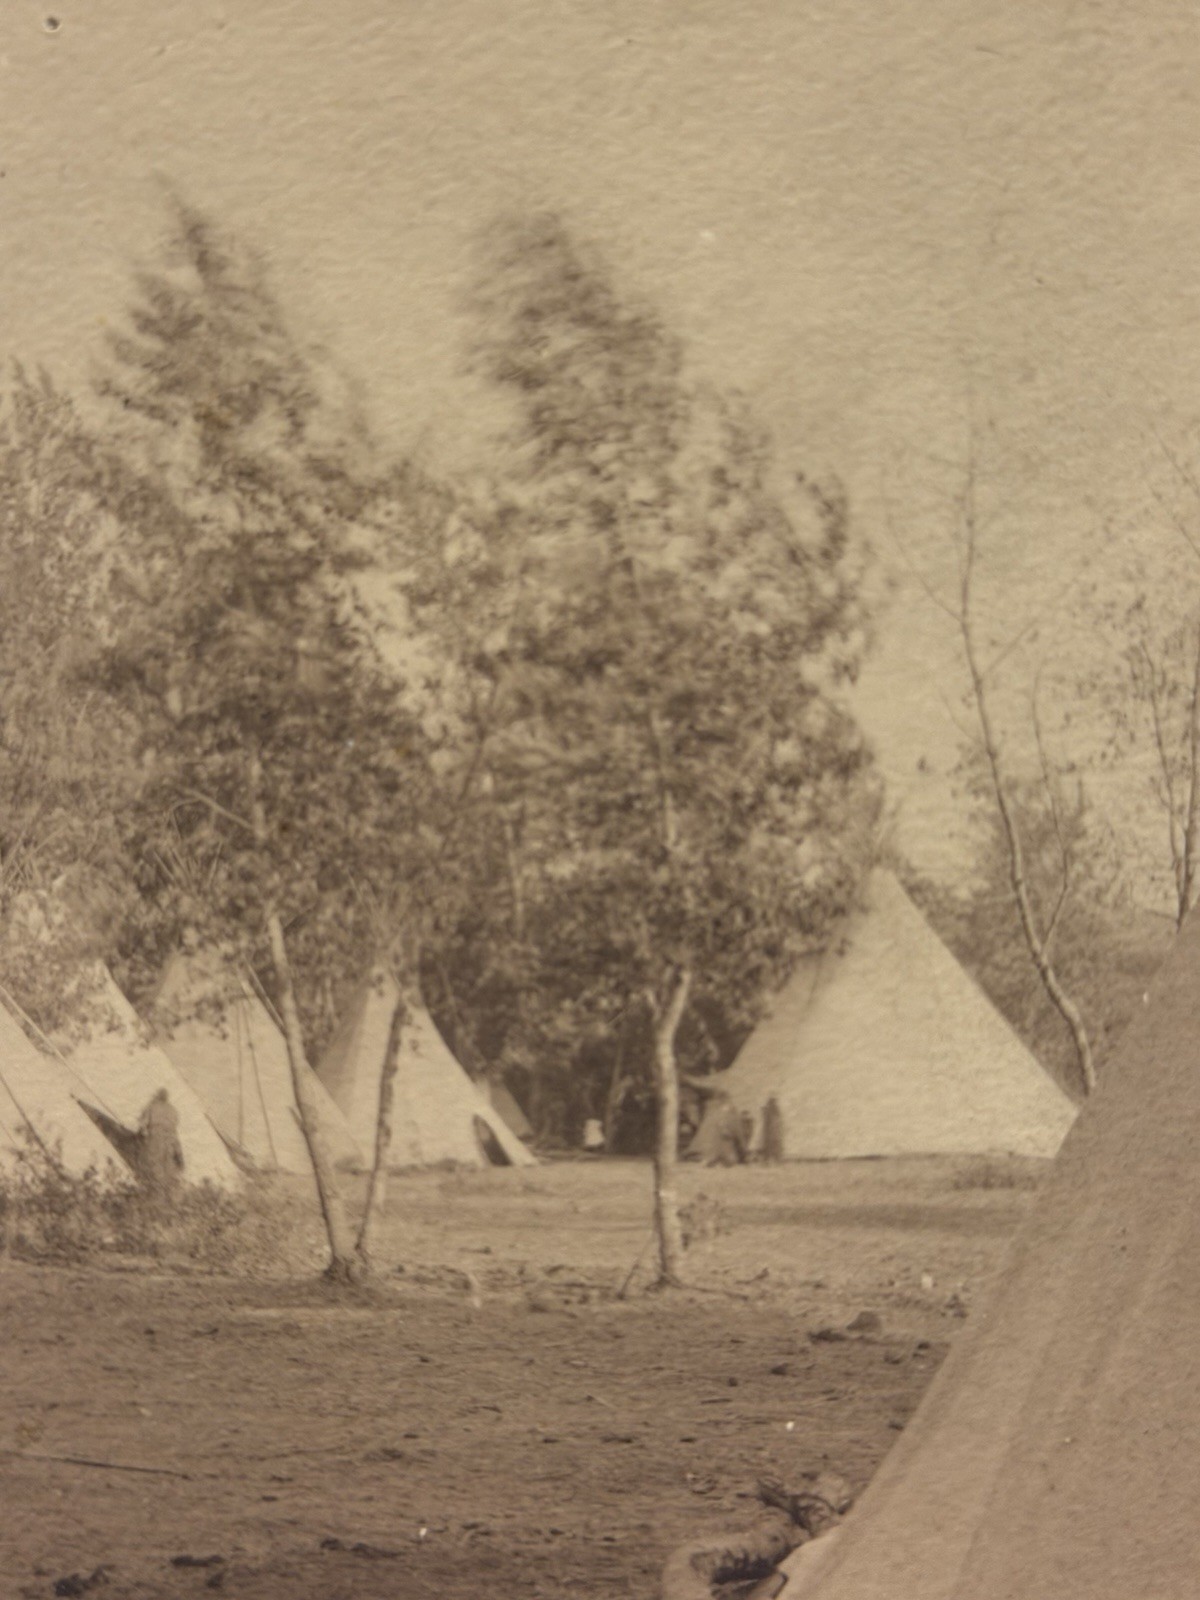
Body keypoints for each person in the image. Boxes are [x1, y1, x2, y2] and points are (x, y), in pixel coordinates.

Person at [137, 1088, 184, 1202]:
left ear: (157, 1096)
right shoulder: (173, 1110)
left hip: (155, 1140)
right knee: (170, 1172)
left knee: (155, 1170)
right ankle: (173, 1201)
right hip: (172, 1141)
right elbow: (175, 1128)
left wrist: (141, 1136)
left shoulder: (151, 1107)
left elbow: (142, 1126)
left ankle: (157, 1200)